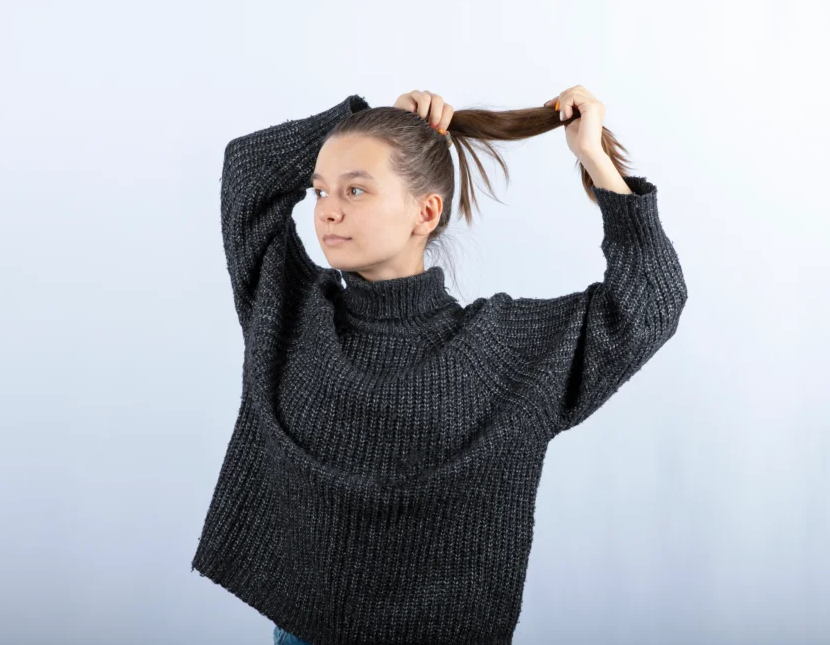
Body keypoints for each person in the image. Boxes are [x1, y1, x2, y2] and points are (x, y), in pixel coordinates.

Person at [191, 87, 688, 645]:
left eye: (355, 189)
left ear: (425, 212)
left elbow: (651, 301)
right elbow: (248, 171)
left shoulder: (500, 351)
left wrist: (594, 158)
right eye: (320, 191)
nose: (327, 209)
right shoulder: (288, 310)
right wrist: (366, 120)